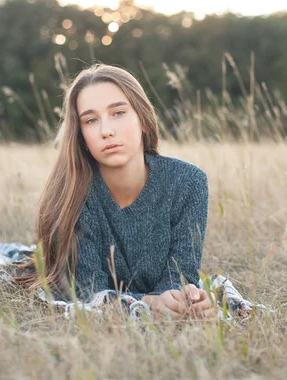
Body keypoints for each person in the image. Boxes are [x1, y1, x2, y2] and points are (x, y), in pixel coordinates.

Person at [14, 63, 216, 320]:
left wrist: (181, 299)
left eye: (118, 113)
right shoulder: (72, 194)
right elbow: (88, 290)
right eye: (90, 120)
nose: (106, 131)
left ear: (142, 119)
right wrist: (150, 304)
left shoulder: (188, 182)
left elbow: (181, 274)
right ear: (80, 136)